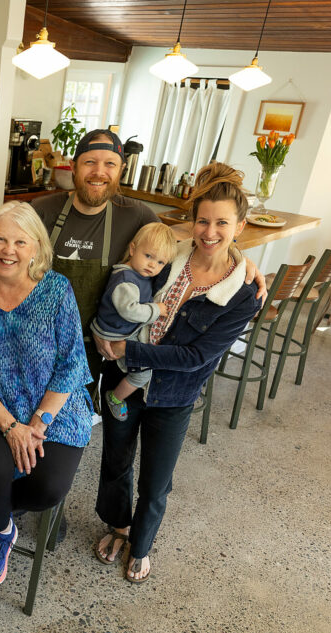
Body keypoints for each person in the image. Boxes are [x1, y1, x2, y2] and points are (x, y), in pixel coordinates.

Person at [92, 162, 262, 583]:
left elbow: (197, 356)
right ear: (191, 221)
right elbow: (126, 276)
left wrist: (129, 349)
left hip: (173, 393)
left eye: (222, 223)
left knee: (156, 480)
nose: (210, 232)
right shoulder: (168, 256)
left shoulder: (242, 294)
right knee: (115, 461)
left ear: (240, 226)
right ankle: (119, 526)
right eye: (203, 221)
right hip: (123, 376)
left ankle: (141, 544)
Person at [32, 129, 265, 378]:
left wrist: (238, 260)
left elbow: (186, 244)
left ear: (121, 170)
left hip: (91, 347)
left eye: (110, 164)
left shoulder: (136, 215)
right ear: (73, 166)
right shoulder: (42, 210)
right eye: (90, 162)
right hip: (37, 339)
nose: (99, 172)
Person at [0, 202, 92, 586]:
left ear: (36, 248)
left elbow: (71, 364)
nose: (8, 250)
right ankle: (3, 529)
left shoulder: (56, 290)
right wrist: (11, 426)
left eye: (19, 241)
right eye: (0, 239)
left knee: (48, 488)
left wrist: (37, 423)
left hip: (55, 409)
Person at [91, 222, 177, 421]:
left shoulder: (137, 274)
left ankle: (118, 366)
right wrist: (157, 310)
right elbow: (129, 310)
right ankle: (115, 398)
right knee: (143, 373)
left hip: (121, 328)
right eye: (148, 256)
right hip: (117, 332)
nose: (152, 265)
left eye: (160, 262)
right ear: (132, 249)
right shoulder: (126, 280)